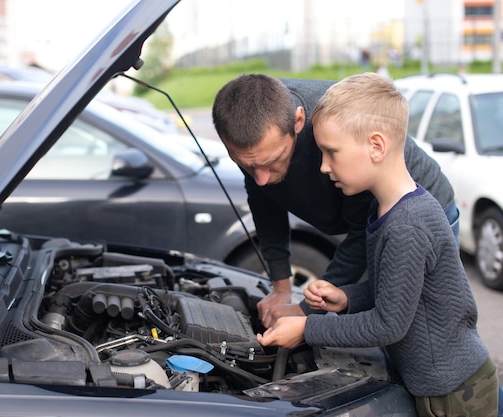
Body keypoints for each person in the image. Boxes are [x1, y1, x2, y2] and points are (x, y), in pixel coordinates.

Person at [256, 72, 499, 416]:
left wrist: (308, 327)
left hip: (455, 392)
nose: (324, 166)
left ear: (376, 146)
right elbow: (398, 293)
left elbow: (389, 324)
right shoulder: (384, 210)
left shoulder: (407, 225)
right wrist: (346, 298)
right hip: (435, 381)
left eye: (331, 152)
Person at [211, 73, 458, 328]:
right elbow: (265, 205)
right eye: (246, 165)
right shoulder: (251, 140)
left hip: (414, 212)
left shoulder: (337, 133)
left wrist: (306, 316)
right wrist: (281, 287)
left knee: (422, 325)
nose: (260, 179)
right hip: (363, 221)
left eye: (272, 161)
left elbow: (361, 237)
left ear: (298, 121)